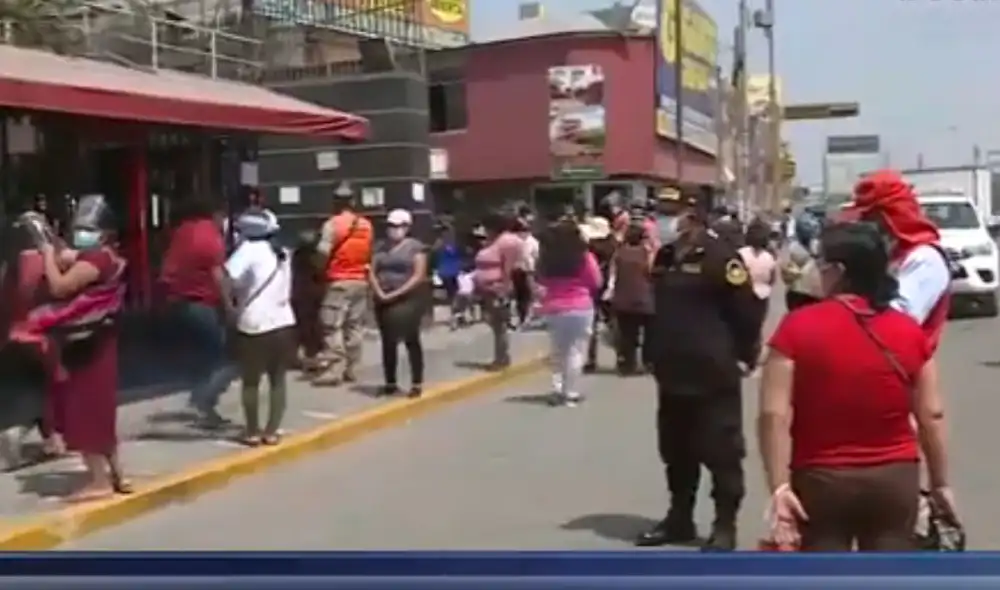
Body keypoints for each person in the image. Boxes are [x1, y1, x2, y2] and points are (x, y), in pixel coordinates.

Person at [758, 222, 957, 551]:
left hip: (821, 479)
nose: (815, 270)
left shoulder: (796, 327)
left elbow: (772, 414)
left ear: (837, 271)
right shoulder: (908, 331)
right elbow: (931, 414)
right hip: (894, 479)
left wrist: (779, 487)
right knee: (888, 576)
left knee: (824, 577)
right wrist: (940, 484)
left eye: (820, 262)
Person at [636, 195, 760, 551]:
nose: (662, 220)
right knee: (676, 453)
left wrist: (745, 354)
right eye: (661, 213)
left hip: (713, 373)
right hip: (672, 373)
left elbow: (746, 312)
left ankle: (724, 526)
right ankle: (679, 519)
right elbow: (656, 311)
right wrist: (651, 351)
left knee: (722, 454)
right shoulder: (666, 256)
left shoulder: (722, 258)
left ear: (693, 217)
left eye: (670, 214)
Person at [41, 195, 130, 501]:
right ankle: (118, 474)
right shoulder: (105, 256)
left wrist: (46, 257)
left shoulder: (95, 262)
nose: (81, 234)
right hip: (101, 340)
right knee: (101, 407)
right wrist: (57, 247)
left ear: (104, 233)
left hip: (87, 343)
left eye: (86, 229)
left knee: (84, 409)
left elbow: (59, 286)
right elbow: (72, 257)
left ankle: (99, 482)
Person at [841, 170, 952, 351]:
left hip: (902, 369)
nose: (863, 226)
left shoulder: (924, 259)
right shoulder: (889, 255)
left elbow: (896, 323)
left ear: (890, 219)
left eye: (870, 220)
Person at [159, 196, 233, 427]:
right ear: (218, 216)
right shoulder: (211, 237)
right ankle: (203, 402)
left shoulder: (183, 230)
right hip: (199, 303)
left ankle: (199, 396)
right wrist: (230, 307)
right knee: (223, 358)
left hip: (176, 302)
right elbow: (218, 276)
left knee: (202, 355)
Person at [224, 211, 296, 446]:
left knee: (251, 381)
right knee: (278, 380)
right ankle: (272, 431)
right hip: (284, 322)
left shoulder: (247, 251)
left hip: (255, 324)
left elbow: (228, 279)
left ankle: (252, 431)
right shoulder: (283, 252)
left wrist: (230, 306)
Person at [536, 218, 602, 407]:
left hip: (554, 307)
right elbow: (596, 282)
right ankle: (570, 392)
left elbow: (541, 280)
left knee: (558, 351)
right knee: (575, 351)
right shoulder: (584, 257)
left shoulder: (546, 258)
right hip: (580, 306)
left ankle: (557, 389)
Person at [314, 182, 373, 386]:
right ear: (354, 201)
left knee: (332, 325)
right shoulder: (366, 225)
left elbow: (323, 252)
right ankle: (353, 368)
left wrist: (318, 269)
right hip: (360, 280)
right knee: (355, 325)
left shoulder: (332, 225)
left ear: (335, 202)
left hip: (339, 280)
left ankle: (334, 369)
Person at [369, 209, 429, 397]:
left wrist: (396, 293)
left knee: (411, 339)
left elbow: (418, 275)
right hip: (383, 298)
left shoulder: (415, 248)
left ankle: (416, 383)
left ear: (407, 227)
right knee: (388, 341)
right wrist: (379, 292)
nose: (394, 230)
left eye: (398, 226)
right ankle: (390, 382)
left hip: (408, 299)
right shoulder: (380, 248)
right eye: (391, 226)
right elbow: (370, 270)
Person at [473, 211, 522, 369]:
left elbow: (509, 267)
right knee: (492, 322)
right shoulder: (490, 241)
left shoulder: (507, 242)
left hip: (497, 288)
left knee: (499, 325)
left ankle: (501, 358)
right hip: (485, 289)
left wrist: (504, 288)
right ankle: (501, 355)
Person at [609, 223, 654, 375]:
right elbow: (650, 271)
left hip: (622, 299)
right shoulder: (646, 252)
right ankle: (647, 362)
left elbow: (613, 275)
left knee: (627, 334)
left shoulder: (619, 253)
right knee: (649, 332)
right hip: (643, 298)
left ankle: (627, 364)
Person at [581, 216, 616, 372]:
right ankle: (623, 356)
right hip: (610, 289)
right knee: (613, 323)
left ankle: (590, 359)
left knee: (591, 326)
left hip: (592, 289)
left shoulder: (589, 250)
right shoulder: (613, 247)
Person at [290, 229, 327, 375]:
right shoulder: (317, 257)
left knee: (303, 327)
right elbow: (321, 273)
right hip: (313, 295)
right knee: (313, 328)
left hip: (299, 294)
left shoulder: (296, 256)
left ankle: (306, 357)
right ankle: (312, 358)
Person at [738, 219, 777, 340]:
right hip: (762, 295)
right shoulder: (769, 257)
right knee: (757, 325)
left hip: (742, 294)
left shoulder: (741, 254)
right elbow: (772, 279)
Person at [780, 213, 823, 311]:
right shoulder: (818, 246)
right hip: (813, 291)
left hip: (797, 290)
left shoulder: (794, 247)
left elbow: (785, 271)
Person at [433, 225, 465, 330]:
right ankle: (455, 316)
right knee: (454, 294)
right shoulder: (440, 244)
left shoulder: (454, 243)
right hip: (446, 272)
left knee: (457, 294)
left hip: (455, 271)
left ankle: (458, 314)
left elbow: (459, 256)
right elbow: (435, 254)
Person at [512, 216, 539, 329]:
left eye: (524, 230)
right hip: (516, 271)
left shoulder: (532, 242)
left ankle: (528, 317)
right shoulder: (514, 241)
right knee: (519, 296)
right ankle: (521, 317)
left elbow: (536, 256)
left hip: (529, 271)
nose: (522, 233)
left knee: (529, 294)